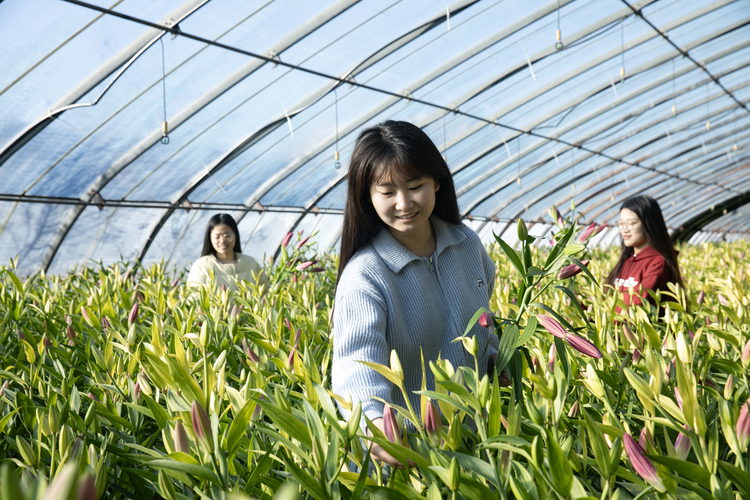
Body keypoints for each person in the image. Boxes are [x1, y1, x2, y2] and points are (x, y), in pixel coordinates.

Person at [331, 121, 500, 468]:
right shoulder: (365, 275)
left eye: (415, 186)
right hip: (411, 454)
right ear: (367, 196)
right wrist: (376, 428)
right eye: (387, 191)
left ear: (437, 182)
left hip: (481, 440)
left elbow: (484, 321)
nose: (404, 203)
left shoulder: (466, 244)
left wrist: (502, 363)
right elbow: (356, 366)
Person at [604, 195, 683, 310]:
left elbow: (639, 308)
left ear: (648, 223)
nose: (624, 229)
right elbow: (606, 302)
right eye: (621, 223)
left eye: (631, 223)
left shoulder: (658, 263)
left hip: (633, 327)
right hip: (615, 327)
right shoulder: (627, 260)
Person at [186, 213, 267, 292]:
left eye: (227, 236)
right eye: (217, 237)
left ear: (235, 235)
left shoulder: (250, 263)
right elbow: (194, 296)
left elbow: (265, 293)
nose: (222, 241)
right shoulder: (202, 266)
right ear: (210, 238)